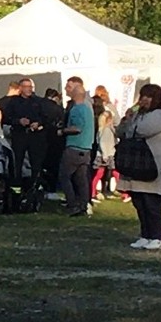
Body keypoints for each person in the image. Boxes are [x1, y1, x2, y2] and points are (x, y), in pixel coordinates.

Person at [116, 83, 161, 250]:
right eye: (142, 96)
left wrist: (132, 120)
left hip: (154, 163)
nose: (144, 100)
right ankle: (145, 234)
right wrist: (127, 118)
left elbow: (141, 130)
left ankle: (158, 236)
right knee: (139, 201)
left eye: (148, 96)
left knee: (151, 202)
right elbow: (122, 131)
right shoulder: (139, 115)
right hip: (137, 163)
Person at [59, 76, 96, 217]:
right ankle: (83, 205)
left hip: (74, 147)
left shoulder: (77, 109)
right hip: (86, 148)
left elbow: (77, 128)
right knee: (82, 179)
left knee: (64, 176)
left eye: (69, 88)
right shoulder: (88, 108)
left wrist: (62, 131)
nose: (66, 90)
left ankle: (72, 204)